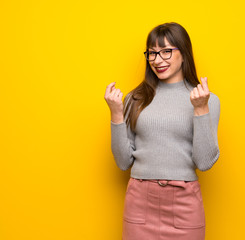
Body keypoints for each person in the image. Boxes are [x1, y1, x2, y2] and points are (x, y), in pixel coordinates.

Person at [104, 22, 220, 240]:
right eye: (152, 53)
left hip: (184, 204)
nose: (158, 60)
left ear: (184, 53)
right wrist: (116, 114)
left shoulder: (206, 99)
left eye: (166, 51)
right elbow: (122, 162)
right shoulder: (134, 98)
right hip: (140, 202)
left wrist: (200, 109)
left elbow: (204, 162)